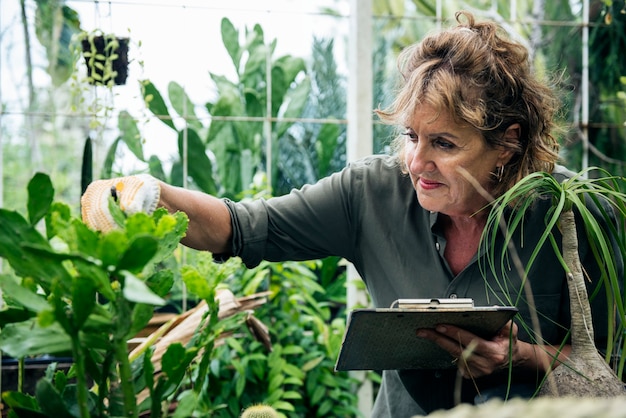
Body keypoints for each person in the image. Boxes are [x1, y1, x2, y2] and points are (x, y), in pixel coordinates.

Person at [81, 10, 621, 417]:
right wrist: (147, 194)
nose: (415, 162)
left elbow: (608, 364)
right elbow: (241, 226)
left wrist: (521, 356)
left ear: (507, 143)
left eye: (444, 143)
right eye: (410, 136)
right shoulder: (371, 194)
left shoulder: (577, 216)